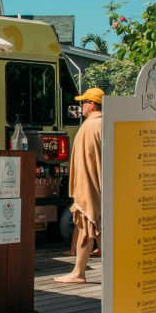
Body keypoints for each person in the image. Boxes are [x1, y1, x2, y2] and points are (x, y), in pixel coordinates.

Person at [55, 87, 104, 284]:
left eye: (83, 103)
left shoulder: (89, 127)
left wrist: (83, 192)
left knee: (86, 225)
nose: (80, 106)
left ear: (91, 105)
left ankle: (78, 272)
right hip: (106, 187)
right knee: (99, 228)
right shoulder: (107, 124)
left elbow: (86, 164)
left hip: (90, 186)